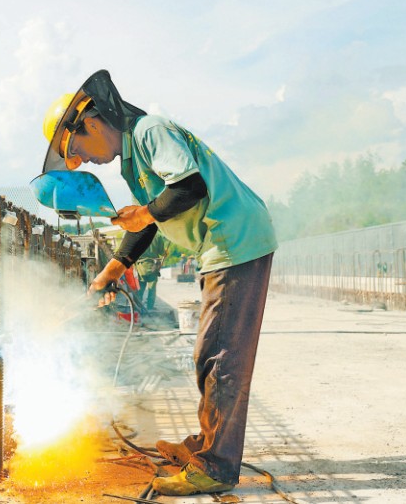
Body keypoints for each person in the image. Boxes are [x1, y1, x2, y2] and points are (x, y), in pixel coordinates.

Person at [40, 70, 278, 496]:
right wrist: (109, 273)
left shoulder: (150, 131)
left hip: (236, 239)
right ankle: (207, 448)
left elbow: (188, 187)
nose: (84, 161)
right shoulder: (133, 159)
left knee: (220, 357)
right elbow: (152, 217)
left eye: (77, 149)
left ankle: (217, 467)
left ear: (92, 123)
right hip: (222, 244)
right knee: (210, 353)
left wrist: (147, 212)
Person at [133, 231, 166, 312]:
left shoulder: (138, 233)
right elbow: (162, 252)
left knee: (140, 288)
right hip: (153, 266)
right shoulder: (158, 236)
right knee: (152, 289)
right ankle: (149, 308)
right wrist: (165, 253)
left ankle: (138, 307)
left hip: (140, 266)